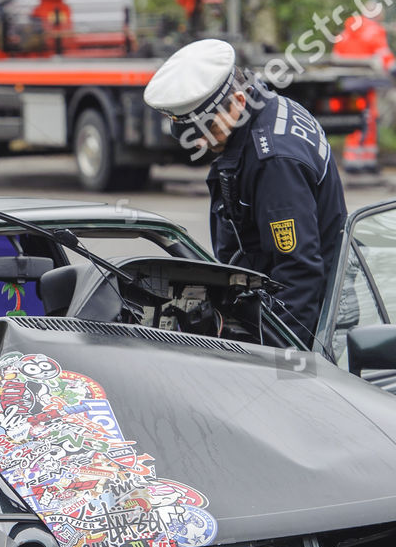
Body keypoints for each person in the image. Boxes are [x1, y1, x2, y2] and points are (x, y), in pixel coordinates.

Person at [143, 39, 347, 346]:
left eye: (207, 130)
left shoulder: (274, 163)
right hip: (277, 308)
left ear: (238, 100)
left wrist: (283, 365)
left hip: (304, 325)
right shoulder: (266, 107)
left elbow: (299, 273)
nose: (199, 144)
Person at [331, 4, 396, 174]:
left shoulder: (346, 32)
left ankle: (355, 161)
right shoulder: (374, 31)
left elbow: (336, 57)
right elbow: (385, 58)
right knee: (368, 120)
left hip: (347, 83)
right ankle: (364, 162)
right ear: (377, 16)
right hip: (367, 82)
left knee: (355, 119)